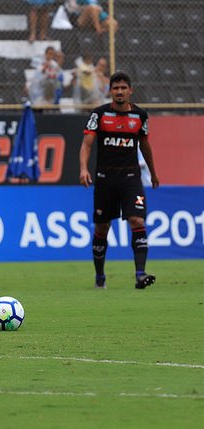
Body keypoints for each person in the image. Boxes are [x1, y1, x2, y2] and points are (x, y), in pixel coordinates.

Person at [79, 71, 159, 290]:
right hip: (105, 178)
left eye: (123, 88)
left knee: (137, 221)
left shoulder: (140, 116)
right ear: (110, 91)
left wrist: (153, 173)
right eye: (116, 88)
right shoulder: (99, 115)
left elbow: (145, 145)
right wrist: (83, 168)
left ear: (130, 90)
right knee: (103, 226)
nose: (120, 91)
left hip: (131, 177)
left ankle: (140, 274)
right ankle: (100, 277)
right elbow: (86, 144)